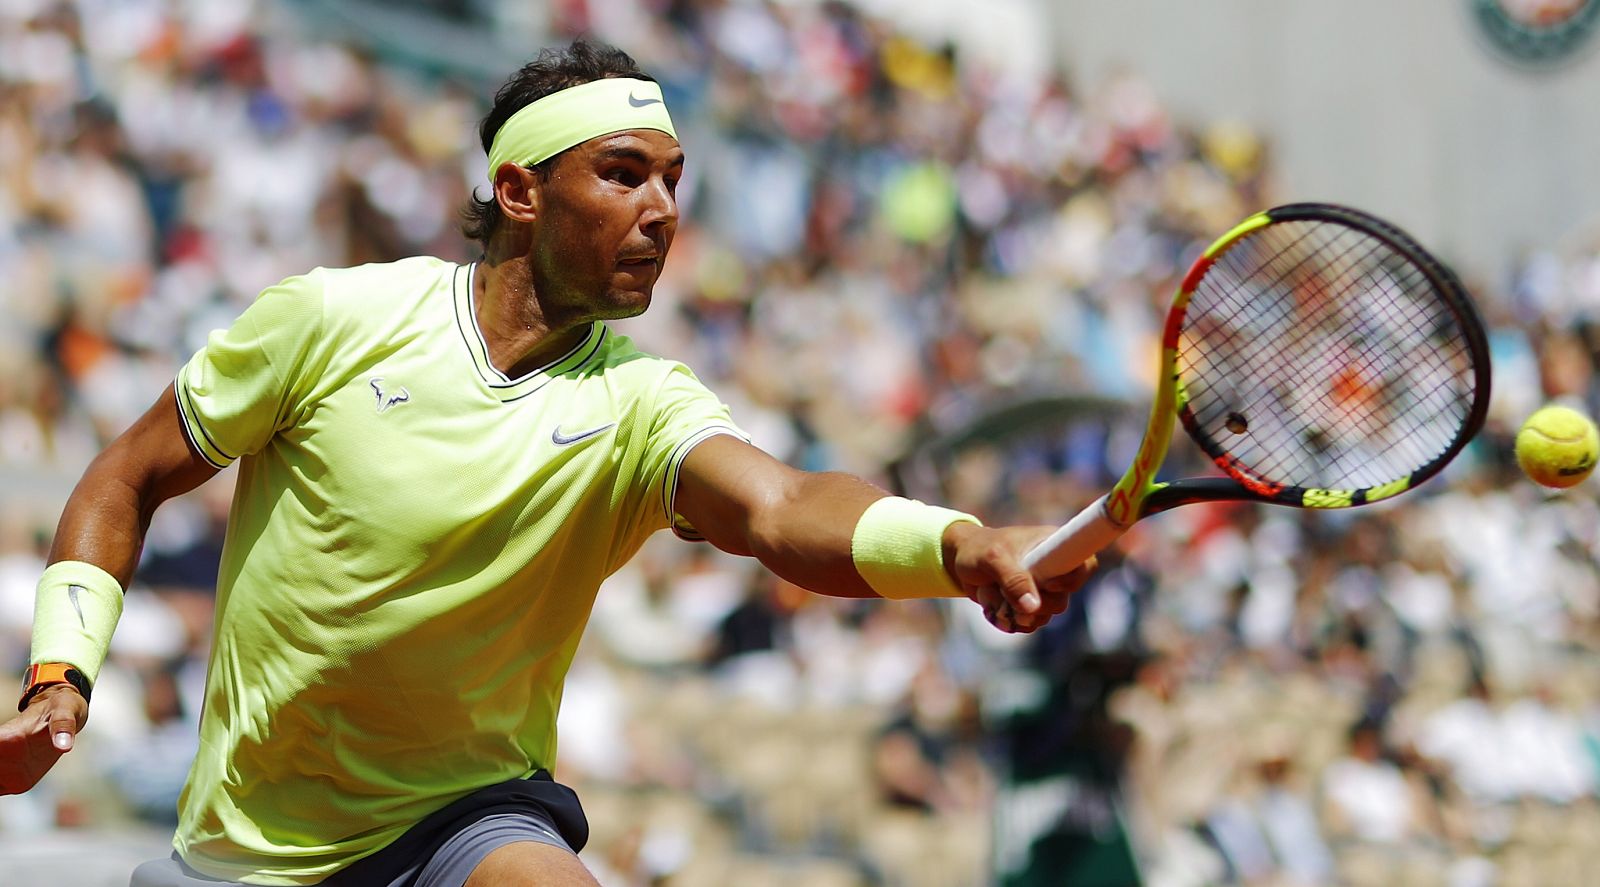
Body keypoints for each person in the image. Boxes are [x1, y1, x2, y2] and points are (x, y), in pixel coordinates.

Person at [0, 41, 1094, 887]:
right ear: (520, 192)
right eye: (623, 175)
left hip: (464, 822)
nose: (662, 211)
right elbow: (125, 475)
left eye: (673, 180)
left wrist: (951, 543)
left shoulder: (641, 401)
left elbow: (785, 505)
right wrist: (61, 671)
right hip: (244, 843)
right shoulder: (333, 318)